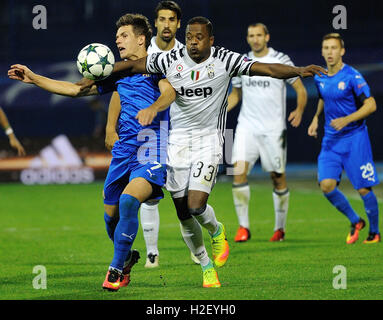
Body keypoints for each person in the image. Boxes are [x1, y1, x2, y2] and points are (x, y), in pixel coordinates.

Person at [78, 16, 325, 287]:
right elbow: (133, 66)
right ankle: (206, 264)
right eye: (189, 37)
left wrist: (298, 70)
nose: (193, 42)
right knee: (183, 212)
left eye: (199, 37)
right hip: (176, 144)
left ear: (210, 40)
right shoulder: (170, 60)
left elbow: (264, 68)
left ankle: (217, 230)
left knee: (196, 205)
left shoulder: (225, 60)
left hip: (209, 141)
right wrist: (99, 71)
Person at [8, 13, 177, 291]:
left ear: (141, 38)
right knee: (110, 217)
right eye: (117, 36)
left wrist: (155, 108)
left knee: (128, 201)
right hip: (124, 151)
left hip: (151, 145)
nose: (117, 40)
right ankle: (128, 257)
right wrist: (35, 78)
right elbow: (75, 90)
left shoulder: (157, 64)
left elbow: (169, 92)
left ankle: (115, 270)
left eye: (123, 35)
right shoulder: (119, 72)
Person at [105, 1, 199, 268]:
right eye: (161, 19)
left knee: (188, 206)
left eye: (171, 19)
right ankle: (151, 254)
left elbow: (177, 90)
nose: (166, 24)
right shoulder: (142, 58)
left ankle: (199, 247)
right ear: (155, 23)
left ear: (178, 24)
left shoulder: (185, 54)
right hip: (144, 140)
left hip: (180, 136)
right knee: (134, 204)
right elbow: (117, 92)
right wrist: (111, 127)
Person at [227, 23, 308, 242]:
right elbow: (236, 94)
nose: (255, 39)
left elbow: (300, 88)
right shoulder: (241, 62)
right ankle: (243, 227)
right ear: (247, 38)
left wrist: (299, 110)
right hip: (247, 127)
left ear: (267, 37)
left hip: (273, 129)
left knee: (277, 177)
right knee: (237, 171)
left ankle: (279, 228)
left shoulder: (280, 59)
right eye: (251, 35)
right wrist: (219, 111)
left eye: (259, 35)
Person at [308, 33, 380, 244]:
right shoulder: (319, 76)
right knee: (326, 186)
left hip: (354, 138)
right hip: (331, 141)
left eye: (333, 48)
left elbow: (371, 105)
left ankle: (374, 232)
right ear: (322, 51)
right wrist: (315, 118)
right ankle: (355, 220)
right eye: (326, 48)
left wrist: (347, 119)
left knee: (363, 188)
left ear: (342, 51)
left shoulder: (352, 76)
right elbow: (323, 98)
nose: (329, 52)